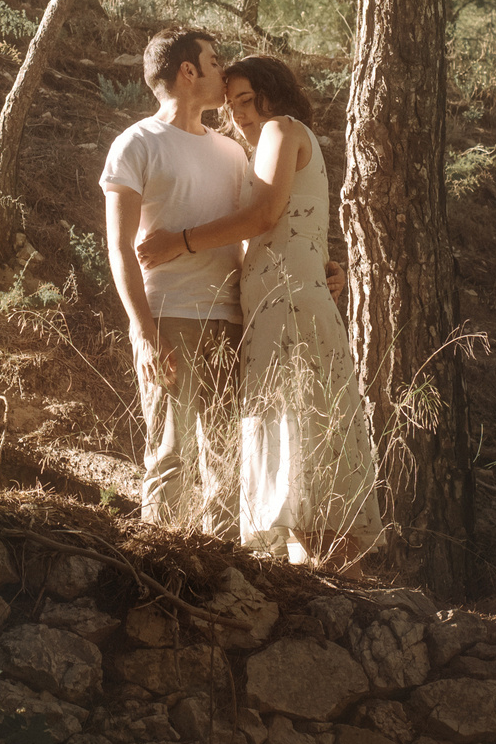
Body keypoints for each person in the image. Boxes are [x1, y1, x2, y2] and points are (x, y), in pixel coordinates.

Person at [138, 55, 384, 569]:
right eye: (232, 106)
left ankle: (331, 585)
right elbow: (290, 225)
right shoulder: (273, 144)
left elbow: (263, 216)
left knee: (300, 438)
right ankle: (325, 583)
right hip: (284, 302)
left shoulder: (280, 129)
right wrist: (322, 263)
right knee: (306, 440)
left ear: (275, 93)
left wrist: (177, 243)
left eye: (247, 100)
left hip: (287, 308)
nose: (241, 114)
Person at [101, 28, 252, 534]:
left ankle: (222, 577)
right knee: (171, 455)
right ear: (188, 71)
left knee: (226, 462)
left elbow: (250, 233)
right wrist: (144, 332)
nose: (223, 71)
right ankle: (164, 573)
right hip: (169, 318)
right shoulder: (137, 144)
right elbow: (119, 247)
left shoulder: (232, 152)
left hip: (231, 321)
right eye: (215, 60)